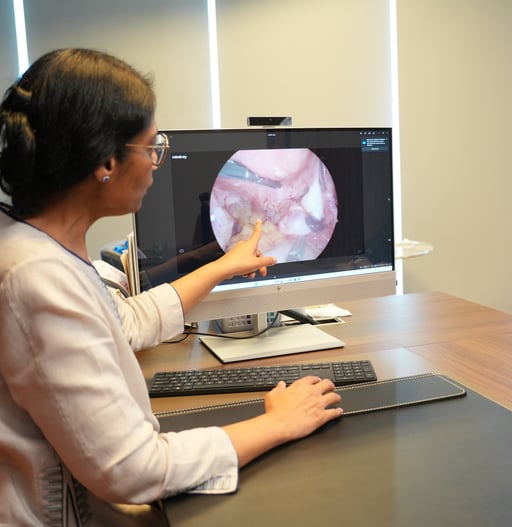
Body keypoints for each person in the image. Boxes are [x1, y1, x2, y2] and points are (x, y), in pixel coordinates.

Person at [0, 48, 343, 526]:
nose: (156, 163)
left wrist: (220, 265)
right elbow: (135, 470)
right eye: (151, 147)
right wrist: (277, 423)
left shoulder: (38, 247)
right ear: (106, 161)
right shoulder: (36, 279)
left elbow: (123, 322)